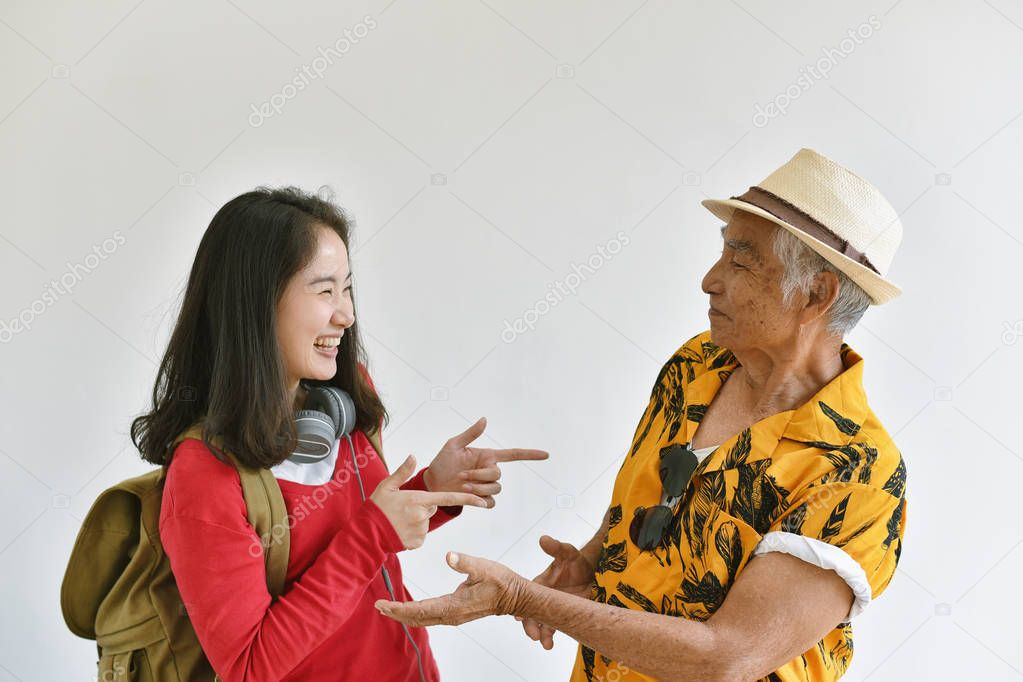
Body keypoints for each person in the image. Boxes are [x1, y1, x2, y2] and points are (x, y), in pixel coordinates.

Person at [376, 148, 909, 682]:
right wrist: (589, 560)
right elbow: (652, 501)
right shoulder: (696, 364)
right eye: (721, 254)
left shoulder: (858, 471)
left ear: (817, 294)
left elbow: (727, 656)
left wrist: (523, 599)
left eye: (741, 262)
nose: (710, 279)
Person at [130, 186, 548, 681]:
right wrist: (373, 534)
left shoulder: (340, 402)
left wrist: (433, 486)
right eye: (324, 290)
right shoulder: (203, 478)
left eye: (347, 288)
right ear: (256, 302)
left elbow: (356, 533)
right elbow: (246, 669)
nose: (346, 314)